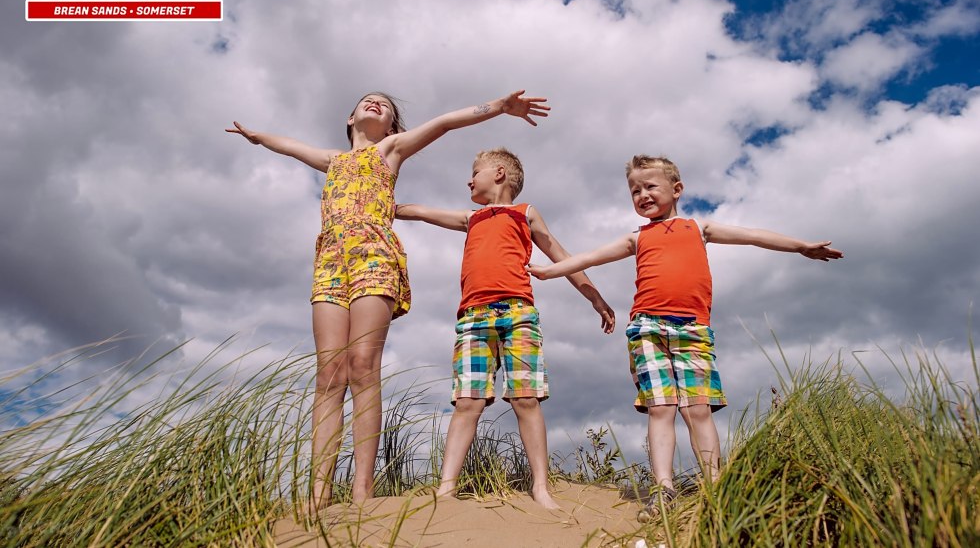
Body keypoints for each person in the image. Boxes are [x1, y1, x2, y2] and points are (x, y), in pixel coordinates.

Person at [226, 91, 549, 511]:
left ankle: (363, 491)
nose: (376, 103)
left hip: (374, 257)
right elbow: (289, 146)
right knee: (329, 373)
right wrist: (258, 137)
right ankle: (318, 494)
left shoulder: (391, 149)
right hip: (330, 260)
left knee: (362, 365)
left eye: (386, 105)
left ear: (393, 126)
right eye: (368, 100)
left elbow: (445, 121)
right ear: (350, 118)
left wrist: (498, 108)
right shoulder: (332, 160)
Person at [528, 155, 843, 520]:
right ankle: (664, 489)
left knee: (697, 409)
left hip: (693, 330)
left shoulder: (699, 227)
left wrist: (800, 245)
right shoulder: (637, 237)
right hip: (647, 329)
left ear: (676, 189)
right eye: (635, 191)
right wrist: (550, 272)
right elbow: (591, 258)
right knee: (660, 408)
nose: (642, 195)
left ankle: (715, 488)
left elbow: (754, 236)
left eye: (650, 186)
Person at [396, 148, 615, 509]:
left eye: (475, 172)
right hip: (473, 318)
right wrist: (383, 203)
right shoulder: (472, 218)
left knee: (526, 399)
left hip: (518, 315)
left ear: (498, 173)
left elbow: (562, 256)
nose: (469, 180)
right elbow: (418, 211)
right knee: (467, 401)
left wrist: (595, 297)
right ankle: (446, 489)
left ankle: (540, 487)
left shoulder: (524, 213)